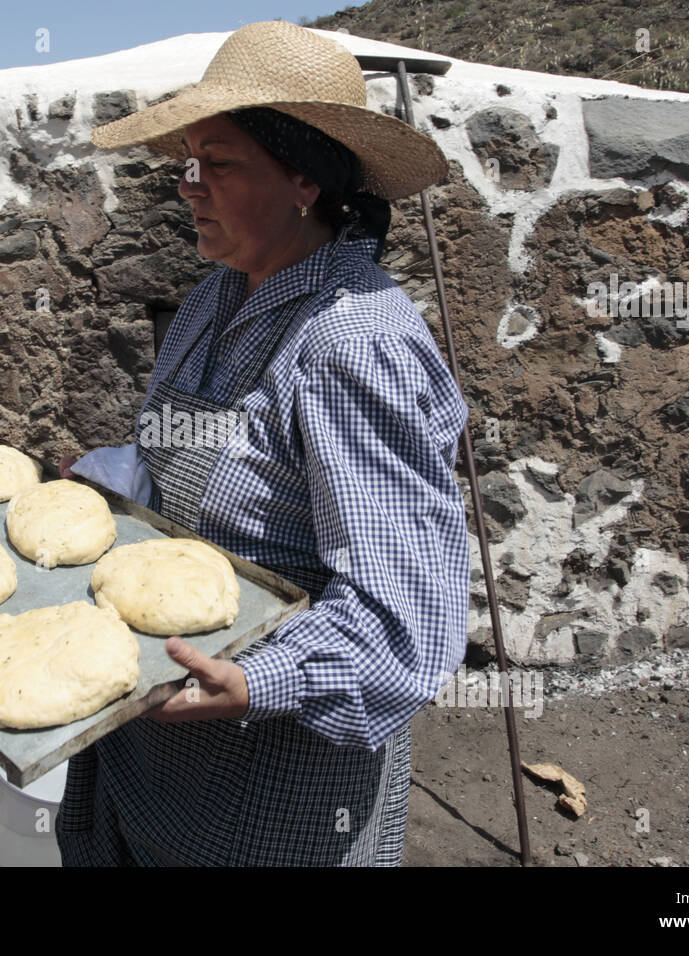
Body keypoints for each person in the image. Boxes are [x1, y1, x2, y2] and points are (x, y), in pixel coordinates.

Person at [55, 20, 471, 866]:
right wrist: (108, 487)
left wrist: (254, 681)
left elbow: (407, 623)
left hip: (273, 780)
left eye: (222, 161)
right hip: (153, 742)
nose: (189, 186)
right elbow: (198, 467)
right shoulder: (215, 299)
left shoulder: (351, 346)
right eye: (188, 162)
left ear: (304, 180)